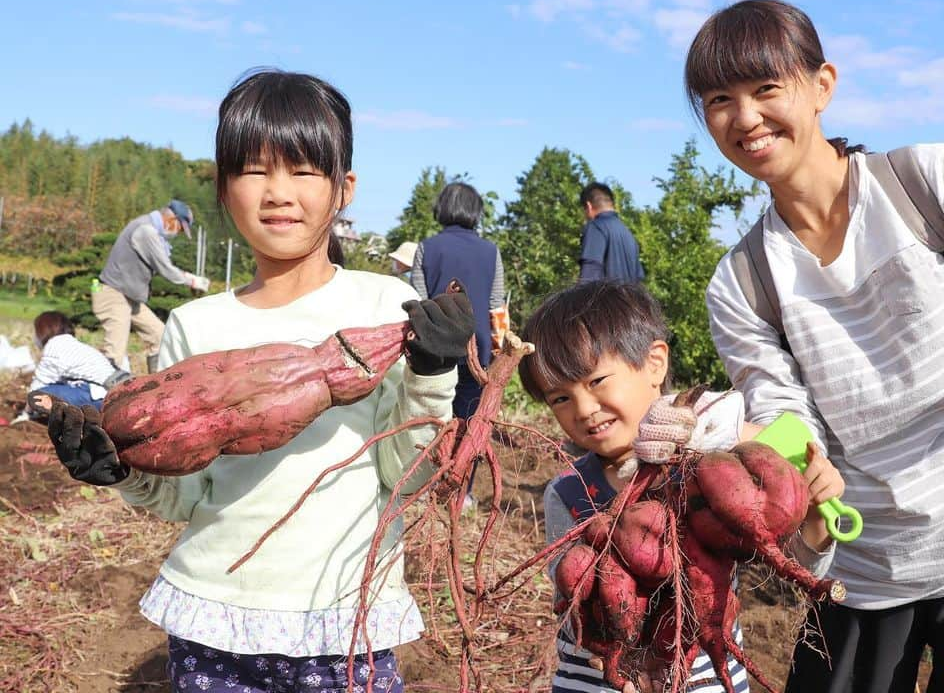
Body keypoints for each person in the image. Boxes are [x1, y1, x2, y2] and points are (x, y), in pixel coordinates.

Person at [687, 0, 944, 693]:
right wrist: (794, 460)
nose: (745, 118)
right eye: (720, 100)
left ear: (821, 86)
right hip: (867, 565)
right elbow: (784, 409)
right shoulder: (742, 282)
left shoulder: (930, 182)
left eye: (765, 89)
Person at [44, 69, 475, 693]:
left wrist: (433, 374)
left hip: (345, 619)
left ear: (343, 188)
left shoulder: (385, 306)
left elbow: (408, 476)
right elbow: (184, 497)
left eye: (303, 171)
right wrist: (124, 471)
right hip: (215, 616)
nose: (279, 192)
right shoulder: (196, 324)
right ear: (223, 189)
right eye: (254, 170)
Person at [518, 280, 843, 693]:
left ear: (655, 363)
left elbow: (803, 564)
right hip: (596, 679)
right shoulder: (566, 493)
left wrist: (813, 505)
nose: (584, 409)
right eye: (560, 398)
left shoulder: (708, 464)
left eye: (597, 381)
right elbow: (577, 601)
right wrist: (617, 653)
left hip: (706, 676)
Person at [411, 183, 506, 422]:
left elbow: (418, 301)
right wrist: (499, 351)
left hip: (437, 347)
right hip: (478, 348)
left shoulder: (426, 248)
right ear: (475, 211)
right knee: (468, 420)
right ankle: (467, 460)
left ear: (443, 208)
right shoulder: (491, 251)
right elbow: (496, 305)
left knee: (433, 419)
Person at [94, 198, 210, 372]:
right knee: (114, 354)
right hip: (114, 294)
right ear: (171, 220)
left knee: (160, 337)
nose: (177, 233)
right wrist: (192, 280)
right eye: (180, 228)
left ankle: (156, 389)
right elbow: (165, 268)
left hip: (129, 298)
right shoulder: (146, 231)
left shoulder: (152, 230)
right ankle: (95, 395)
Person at [24, 311, 125, 419]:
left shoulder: (54, 347)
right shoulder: (73, 344)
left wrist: (26, 413)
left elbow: (38, 385)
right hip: (109, 394)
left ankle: (73, 417)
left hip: (96, 395)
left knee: (40, 394)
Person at [577, 182, 645, 283]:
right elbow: (638, 278)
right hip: (630, 298)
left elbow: (589, 276)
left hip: (606, 298)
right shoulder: (628, 233)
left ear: (589, 206)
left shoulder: (596, 227)